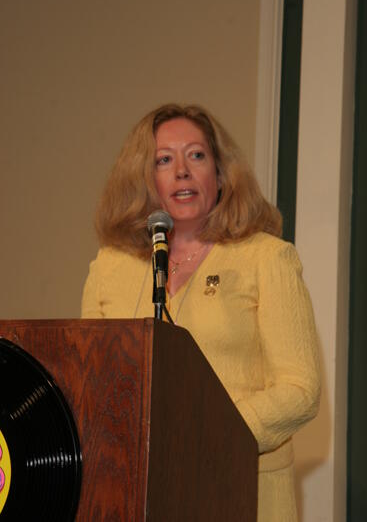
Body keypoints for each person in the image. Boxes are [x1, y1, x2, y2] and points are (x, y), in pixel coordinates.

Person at [81, 103, 321, 522]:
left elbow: (300, 390)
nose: (182, 172)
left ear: (222, 173)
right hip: (137, 492)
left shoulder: (267, 258)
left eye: (196, 155)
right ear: (144, 178)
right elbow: (89, 383)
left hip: (243, 487)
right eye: (163, 160)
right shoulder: (110, 267)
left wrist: (206, 430)